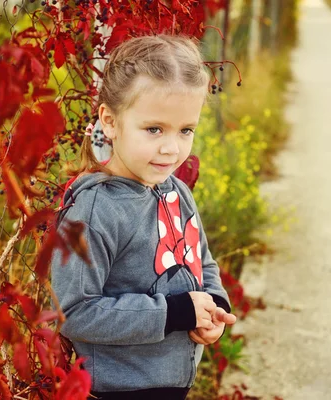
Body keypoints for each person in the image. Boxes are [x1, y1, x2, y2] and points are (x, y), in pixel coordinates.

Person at [51, 34, 237, 400]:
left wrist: (214, 305)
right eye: (154, 129)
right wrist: (173, 313)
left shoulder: (176, 191)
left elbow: (202, 262)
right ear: (110, 121)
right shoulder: (94, 210)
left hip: (173, 379)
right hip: (121, 388)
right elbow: (73, 311)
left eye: (186, 131)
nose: (171, 148)